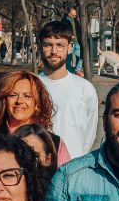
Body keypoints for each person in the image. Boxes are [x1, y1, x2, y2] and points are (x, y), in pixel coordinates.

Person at [35, 20, 100, 154]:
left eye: (60, 45)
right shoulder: (31, 85)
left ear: (69, 48)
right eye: (48, 45)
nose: (54, 51)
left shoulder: (84, 88)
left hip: (74, 167)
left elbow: (89, 133)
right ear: (40, 46)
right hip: (38, 168)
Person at [0, 71, 70, 165]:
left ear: (37, 103)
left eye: (27, 96)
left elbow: (66, 177)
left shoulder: (56, 144)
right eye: (13, 95)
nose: (19, 101)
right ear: (3, 101)